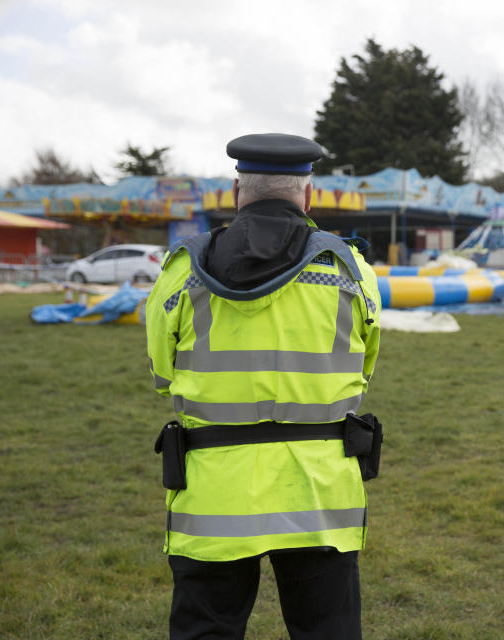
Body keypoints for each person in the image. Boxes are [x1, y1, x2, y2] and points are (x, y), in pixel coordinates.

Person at [145, 133, 382, 639]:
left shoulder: (183, 272)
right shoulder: (350, 270)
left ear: (236, 192)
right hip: (319, 495)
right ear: (309, 195)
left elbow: (163, 374)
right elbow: (364, 368)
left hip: (213, 495)